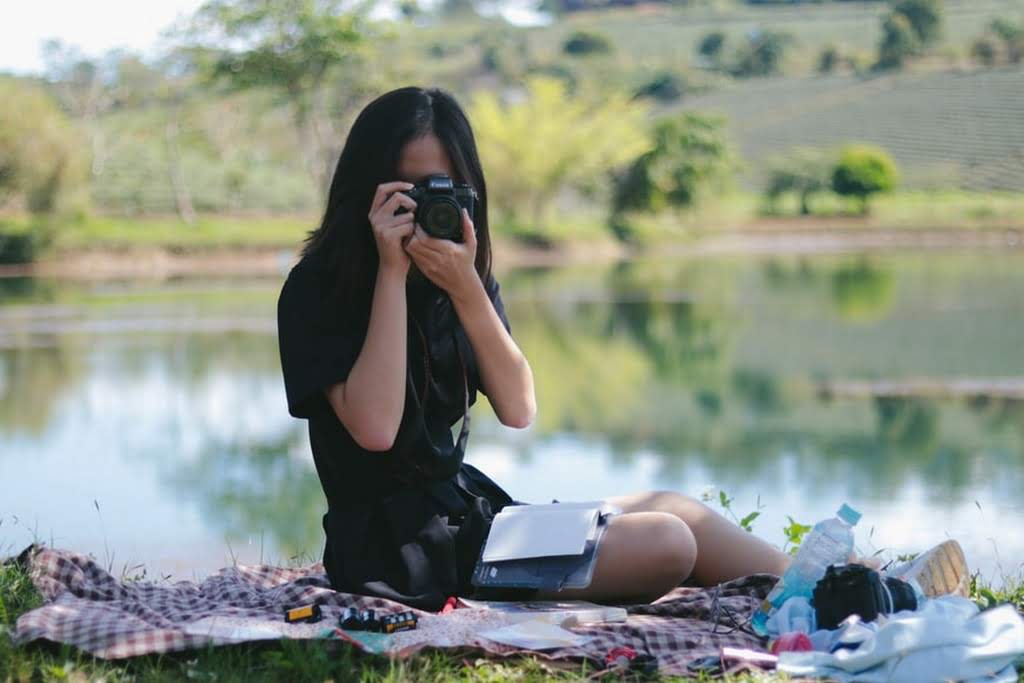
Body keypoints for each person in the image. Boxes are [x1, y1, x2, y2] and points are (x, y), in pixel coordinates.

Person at [276, 86, 792, 613]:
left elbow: (519, 409)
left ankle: (834, 585)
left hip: (471, 518)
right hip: (400, 555)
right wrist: (390, 273)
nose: (430, 201)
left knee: (681, 510)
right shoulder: (317, 289)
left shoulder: (458, 281)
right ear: (369, 188)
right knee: (669, 541)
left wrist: (466, 288)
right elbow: (376, 429)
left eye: (447, 187)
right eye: (411, 187)